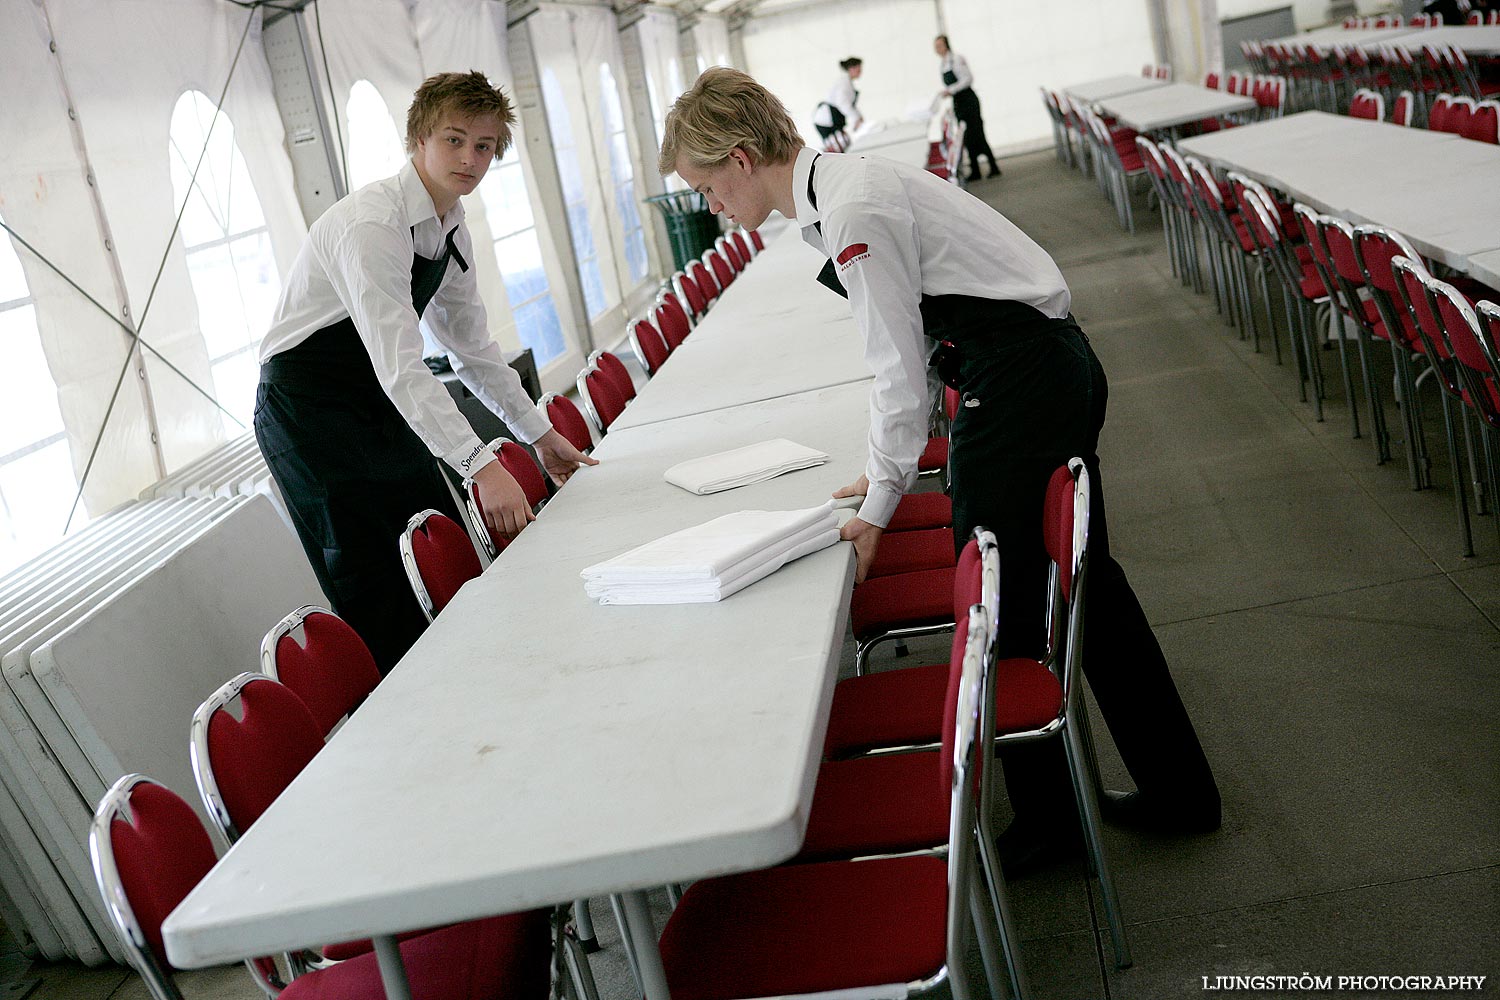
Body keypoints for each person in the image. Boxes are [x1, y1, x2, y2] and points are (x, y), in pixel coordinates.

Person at [658, 68, 1220, 873]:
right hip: (1038, 365)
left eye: (707, 187)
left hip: (1020, 377)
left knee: (1004, 606)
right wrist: (882, 471)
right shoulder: (843, 192)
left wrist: (879, 507)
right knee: (1088, 583)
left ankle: (1056, 831)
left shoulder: (851, 207)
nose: (711, 206)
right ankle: (1178, 790)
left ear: (741, 159)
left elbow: (895, 368)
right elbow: (914, 354)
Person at [255, 71, 596, 673]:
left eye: (485, 146)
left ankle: (483, 673)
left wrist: (540, 436)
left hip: (378, 394)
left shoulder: (449, 223)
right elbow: (402, 365)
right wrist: (480, 463)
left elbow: (473, 349)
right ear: (418, 140)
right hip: (309, 410)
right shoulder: (373, 225)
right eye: (454, 140)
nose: (470, 158)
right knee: (374, 580)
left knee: (432, 536)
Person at [934, 35, 999, 181]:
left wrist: (951, 90)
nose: (937, 49)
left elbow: (967, 79)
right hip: (958, 102)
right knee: (967, 138)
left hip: (968, 100)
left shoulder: (956, 59)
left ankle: (992, 166)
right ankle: (975, 168)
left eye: (940, 45)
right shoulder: (943, 63)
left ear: (946, 45)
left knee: (977, 133)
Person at [812, 57, 864, 146]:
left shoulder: (846, 82)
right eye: (859, 69)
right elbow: (843, 104)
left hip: (832, 120)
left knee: (843, 143)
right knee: (840, 146)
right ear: (851, 68)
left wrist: (858, 117)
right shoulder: (843, 83)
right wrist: (857, 118)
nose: (861, 72)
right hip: (826, 121)